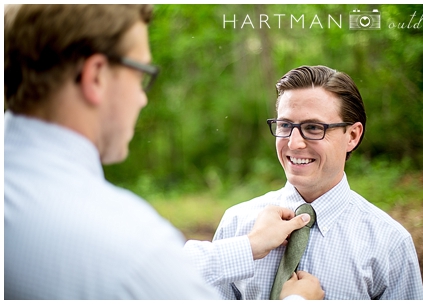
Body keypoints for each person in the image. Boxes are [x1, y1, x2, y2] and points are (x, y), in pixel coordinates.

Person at [4, 4, 320, 300]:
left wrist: (248, 246)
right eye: (141, 75)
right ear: (96, 76)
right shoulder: (129, 241)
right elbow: (143, 267)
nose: (142, 99)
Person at [190, 65, 423, 300]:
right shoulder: (236, 225)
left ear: (352, 136)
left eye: (313, 128)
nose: (293, 143)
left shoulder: (390, 244)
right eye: (284, 125)